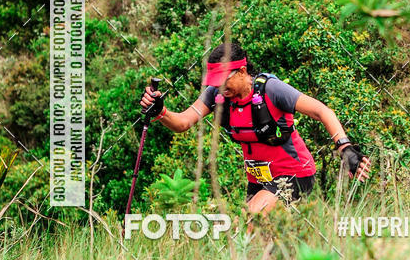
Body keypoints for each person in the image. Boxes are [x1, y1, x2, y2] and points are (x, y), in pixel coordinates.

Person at [140, 42, 371, 213]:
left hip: (293, 174)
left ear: (241, 71)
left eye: (224, 80)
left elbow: (322, 111)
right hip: (259, 180)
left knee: (253, 221)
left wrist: (345, 147)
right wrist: (161, 112)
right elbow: (183, 122)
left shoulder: (271, 90)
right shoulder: (216, 94)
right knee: (255, 240)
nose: (219, 87)